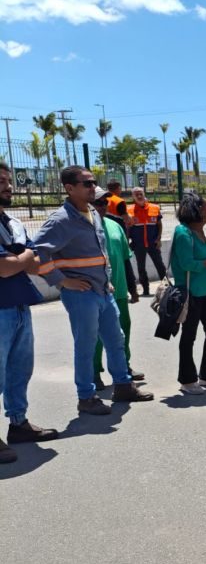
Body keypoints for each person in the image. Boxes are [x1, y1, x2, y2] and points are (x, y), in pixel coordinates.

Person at [33, 166, 153, 415]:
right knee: (86, 346)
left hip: (101, 290)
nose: (92, 187)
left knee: (116, 340)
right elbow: (38, 253)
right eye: (86, 183)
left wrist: (106, 279)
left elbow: (101, 251)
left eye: (93, 182)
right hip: (80, 295)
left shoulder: (93, 214)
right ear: (69, 188)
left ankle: (122, 385)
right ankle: (86, 397)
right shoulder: (60, 220)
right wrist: (62, 281)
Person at [0, 162, 58, 463]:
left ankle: (18, 423)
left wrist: (18, 256)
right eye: (1, 181)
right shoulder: (16, 230)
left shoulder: (13, 224)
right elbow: (6, 267)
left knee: (19, 371)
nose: (8, 186)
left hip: (19, 306)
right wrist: (22, 255)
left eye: (8, 180)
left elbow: (35, 265)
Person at [171, 193, 206, 394]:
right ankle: (187, 380)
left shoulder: (201, 233)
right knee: (189, 336)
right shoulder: (183, 232)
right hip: (190, 293)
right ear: (197, 211)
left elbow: (200, 260)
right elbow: (186, 263)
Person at [91, 188, 143, 390]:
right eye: (97, 203)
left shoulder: (115, 226)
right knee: (96, 337)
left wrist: (133, 288)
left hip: (119, 290)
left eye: (104, 202)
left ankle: (124, 368)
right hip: (97, 293)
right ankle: (94, 373)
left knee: (123, 332)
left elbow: (125, 259)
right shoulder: (85, 227)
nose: (102, 206)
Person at [127, 187, 166, 297]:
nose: (139, 196)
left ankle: (167, 288)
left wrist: (158, 239)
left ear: (144, 194)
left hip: (153, 243)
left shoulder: (155, 208)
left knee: (160, 266)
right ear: (133, 197)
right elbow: (128, 229)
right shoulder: (129, 210)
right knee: (141, 268)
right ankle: (145, 290)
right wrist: (127, 241)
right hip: (138, 244)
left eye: (140, 193)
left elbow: (159, 224)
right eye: (136, 194)